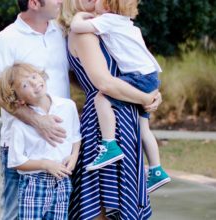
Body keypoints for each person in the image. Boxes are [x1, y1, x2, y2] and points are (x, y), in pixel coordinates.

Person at [58, 0, 162, 219]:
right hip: (105, 124)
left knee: (117, 200)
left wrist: (153, 92)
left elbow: (134, 69)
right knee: (104, 201)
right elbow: (103, 82)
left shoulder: (104, 28)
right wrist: (145, 97)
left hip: (122, 116)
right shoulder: (84, 34)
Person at [0, 0, 69, 219]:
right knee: (16, 214)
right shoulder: (5, 39)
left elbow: (74, 76)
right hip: (24, 147)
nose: (61, 1)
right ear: (34, 3)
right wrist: (39, 122)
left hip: (60, 144)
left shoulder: (61, 32)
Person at [0, 63, 81, 219]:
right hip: (34, 185)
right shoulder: (20, 125)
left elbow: (75, 136)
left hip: (61, 182)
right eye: (25, 85)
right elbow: (16, 162)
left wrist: (74, 156)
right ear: (19, 99)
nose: (34, 83)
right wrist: (45, 164)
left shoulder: (68, 106)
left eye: (34, 76)